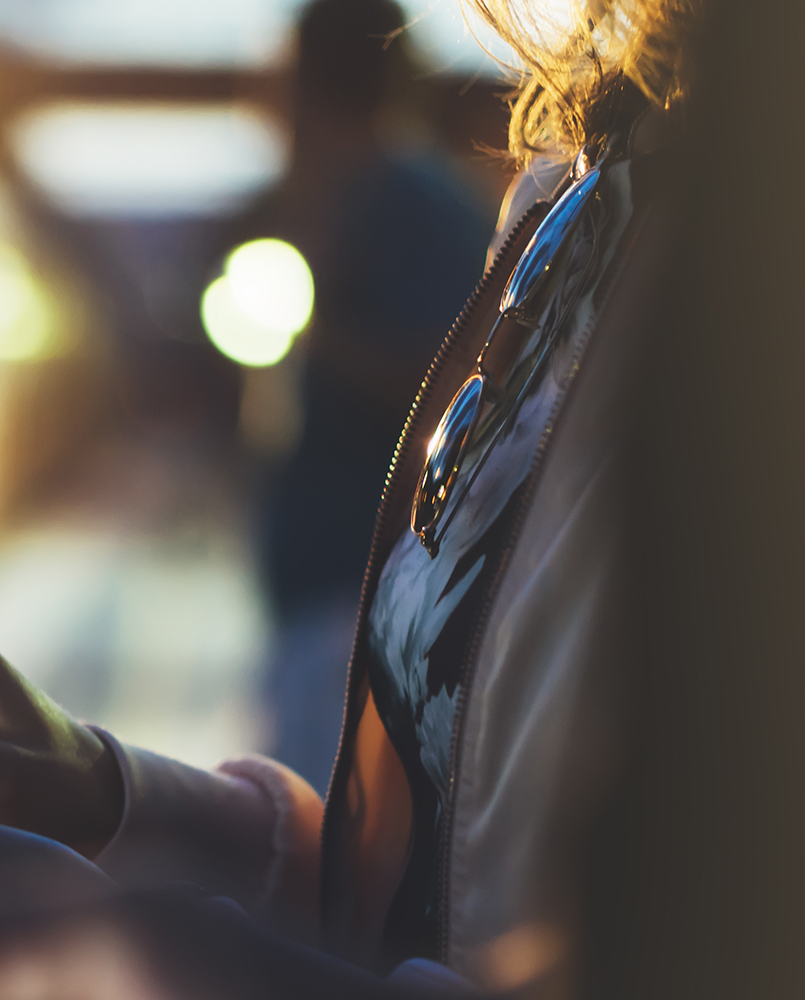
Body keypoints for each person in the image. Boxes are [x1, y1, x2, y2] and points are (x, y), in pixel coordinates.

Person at [0, 0, 701, 993]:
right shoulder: (580, 186)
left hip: (320, 600)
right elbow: (444, 887)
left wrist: (210, 976)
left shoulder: (706, 238)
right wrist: (111, 799)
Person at [241, 0, 493, 786]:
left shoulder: (404, 203)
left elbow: (446, 384)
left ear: (308, 80)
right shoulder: (368, 197)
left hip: (359, 607)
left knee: (316, 858)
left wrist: (320, 333)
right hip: (341, 602)